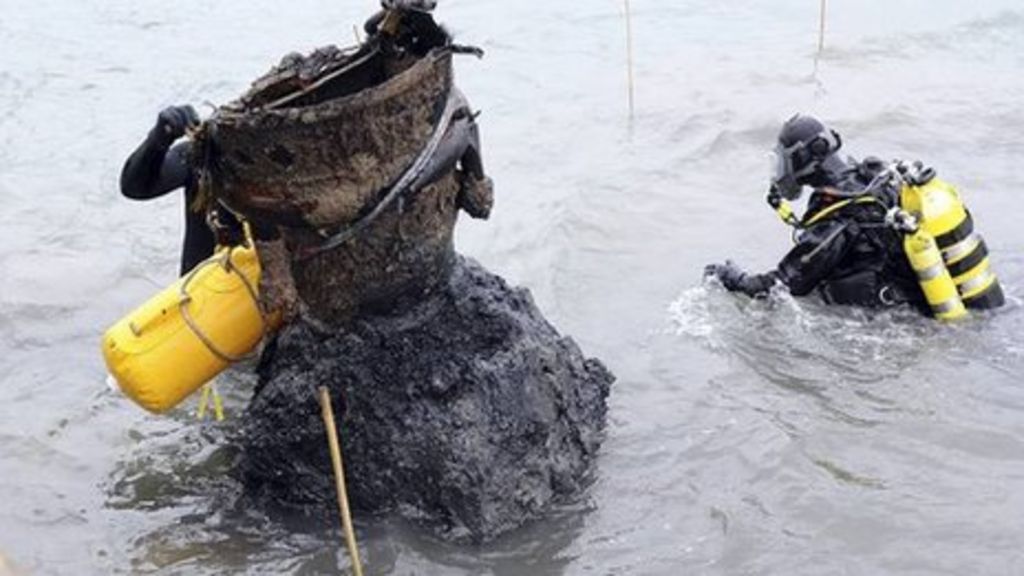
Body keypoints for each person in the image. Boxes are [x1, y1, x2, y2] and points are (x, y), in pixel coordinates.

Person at [704, 114, 1005, 313]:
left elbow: (784, 285)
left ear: (805, 161)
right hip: (937, 295)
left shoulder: (841, 217)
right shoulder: (875, 177)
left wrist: (733, 279)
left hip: (907, 319)